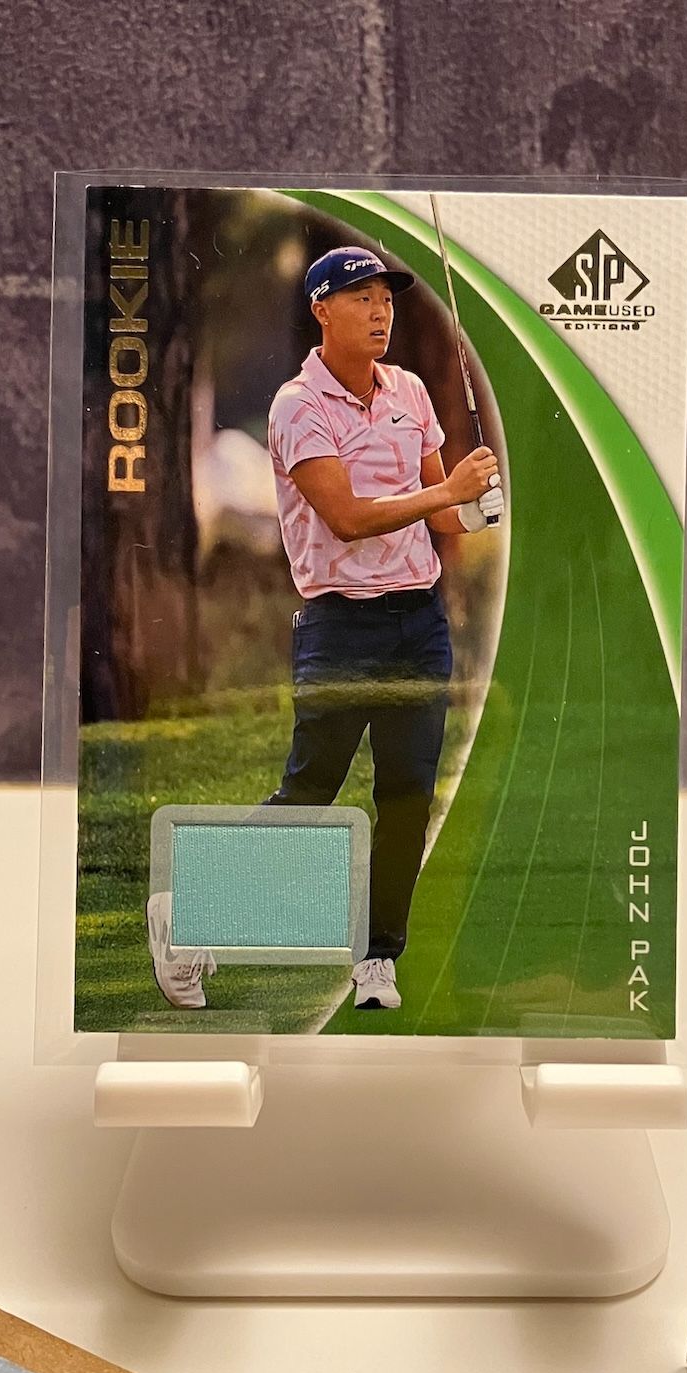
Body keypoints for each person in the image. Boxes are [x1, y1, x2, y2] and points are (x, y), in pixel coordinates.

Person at [149, 245, 502, 1011]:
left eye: (387, 299)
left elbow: (441, 515)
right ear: (321, 310)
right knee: (312, 789)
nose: (380, 312)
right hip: (341, 626)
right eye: (361, 298)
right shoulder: (296, 406)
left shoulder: (409, 390)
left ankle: (378, 960)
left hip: (419, 622)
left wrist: (478, 505)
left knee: (407, 797)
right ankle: (186, 913)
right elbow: (345, 518)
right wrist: (448, 490)